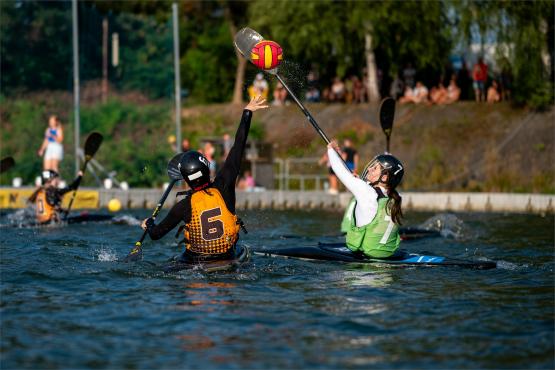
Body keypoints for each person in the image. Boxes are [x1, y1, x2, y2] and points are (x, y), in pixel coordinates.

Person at [140, 95, 268, 262]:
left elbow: (156, 234)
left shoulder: (184, 206)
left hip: (197, 262)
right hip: (227, 258)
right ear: (206, 168)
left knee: (174, 262)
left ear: (186, 179)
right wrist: (247, 113)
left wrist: (148, 224)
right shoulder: (224, 185)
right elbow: (238, 147)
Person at [327, 141, 404, 258]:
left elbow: (340, 171)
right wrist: (361, 182)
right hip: (386, 258)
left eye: (375, 168)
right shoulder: (393, 198)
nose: (370, 169)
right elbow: (369, 191)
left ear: (384, 177)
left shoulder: (367, 193)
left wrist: (331, 151)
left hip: (364, 269)